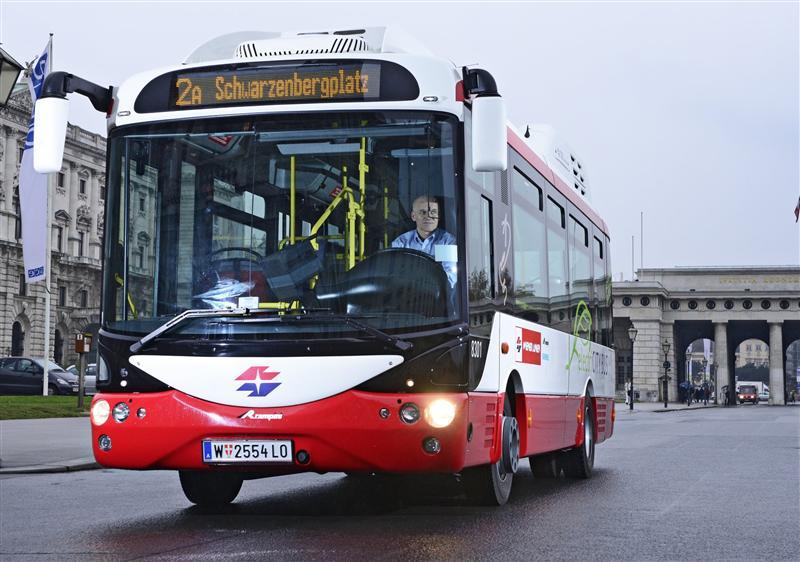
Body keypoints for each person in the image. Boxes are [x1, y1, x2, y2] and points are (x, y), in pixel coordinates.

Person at [392, 195, 457, 287]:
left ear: (439, 216)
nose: (429, 217)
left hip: (437, 297)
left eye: (433, 212)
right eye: (423, 212)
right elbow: (395, 275)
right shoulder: (402, 242)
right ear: (413, 216)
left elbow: (450, 278)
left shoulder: (445, 242)